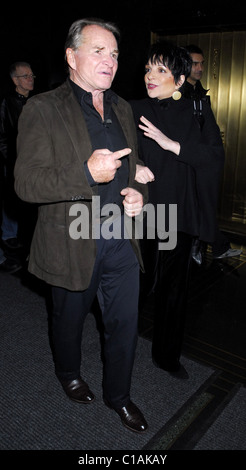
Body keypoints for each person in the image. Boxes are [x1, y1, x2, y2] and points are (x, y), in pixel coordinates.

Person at [14, 18, 148, 433]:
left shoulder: (123, 107)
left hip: (119, 239)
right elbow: (26, 183)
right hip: (71, 239)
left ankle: (119, 397)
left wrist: (138, 193)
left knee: (125, 324)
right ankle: (68, 373)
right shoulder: (43, 107)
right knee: (68, 321)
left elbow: (131, 169)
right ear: (72, 56)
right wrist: (86, 173)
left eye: (115, 54)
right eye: (98, 51)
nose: (110, 61)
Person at [131, 41, 225, 378]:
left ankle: (167, 355)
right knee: (137, 285)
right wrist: (135, 165)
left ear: (180, 79)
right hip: (142, 213)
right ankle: (121, 344)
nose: (150, 76)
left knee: (174, 290)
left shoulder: (197, 110)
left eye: (160, 70)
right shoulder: (133, 107)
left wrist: (173, 145)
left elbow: (215, 157)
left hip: (179, 214)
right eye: (147, 69)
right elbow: (112, 148)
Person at [181, 45, 242, 263]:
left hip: (203, 159)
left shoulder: (199, 92)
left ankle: (208, 245)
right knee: (196, 204)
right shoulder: (179, 93)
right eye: (195, 63)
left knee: (205, 203)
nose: (199, 68)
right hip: (188, 160)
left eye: (202, 63)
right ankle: (201, 245)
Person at [0, 61, 36, 267]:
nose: (30, 79)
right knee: (13, 200)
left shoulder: (37, 102)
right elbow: (3, 136)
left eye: (32, 75)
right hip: (15, 162)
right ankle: (10, 237)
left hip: (34, 162)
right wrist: (12, 160)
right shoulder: (7, 102)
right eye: (25, 76)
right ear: (15, 80)